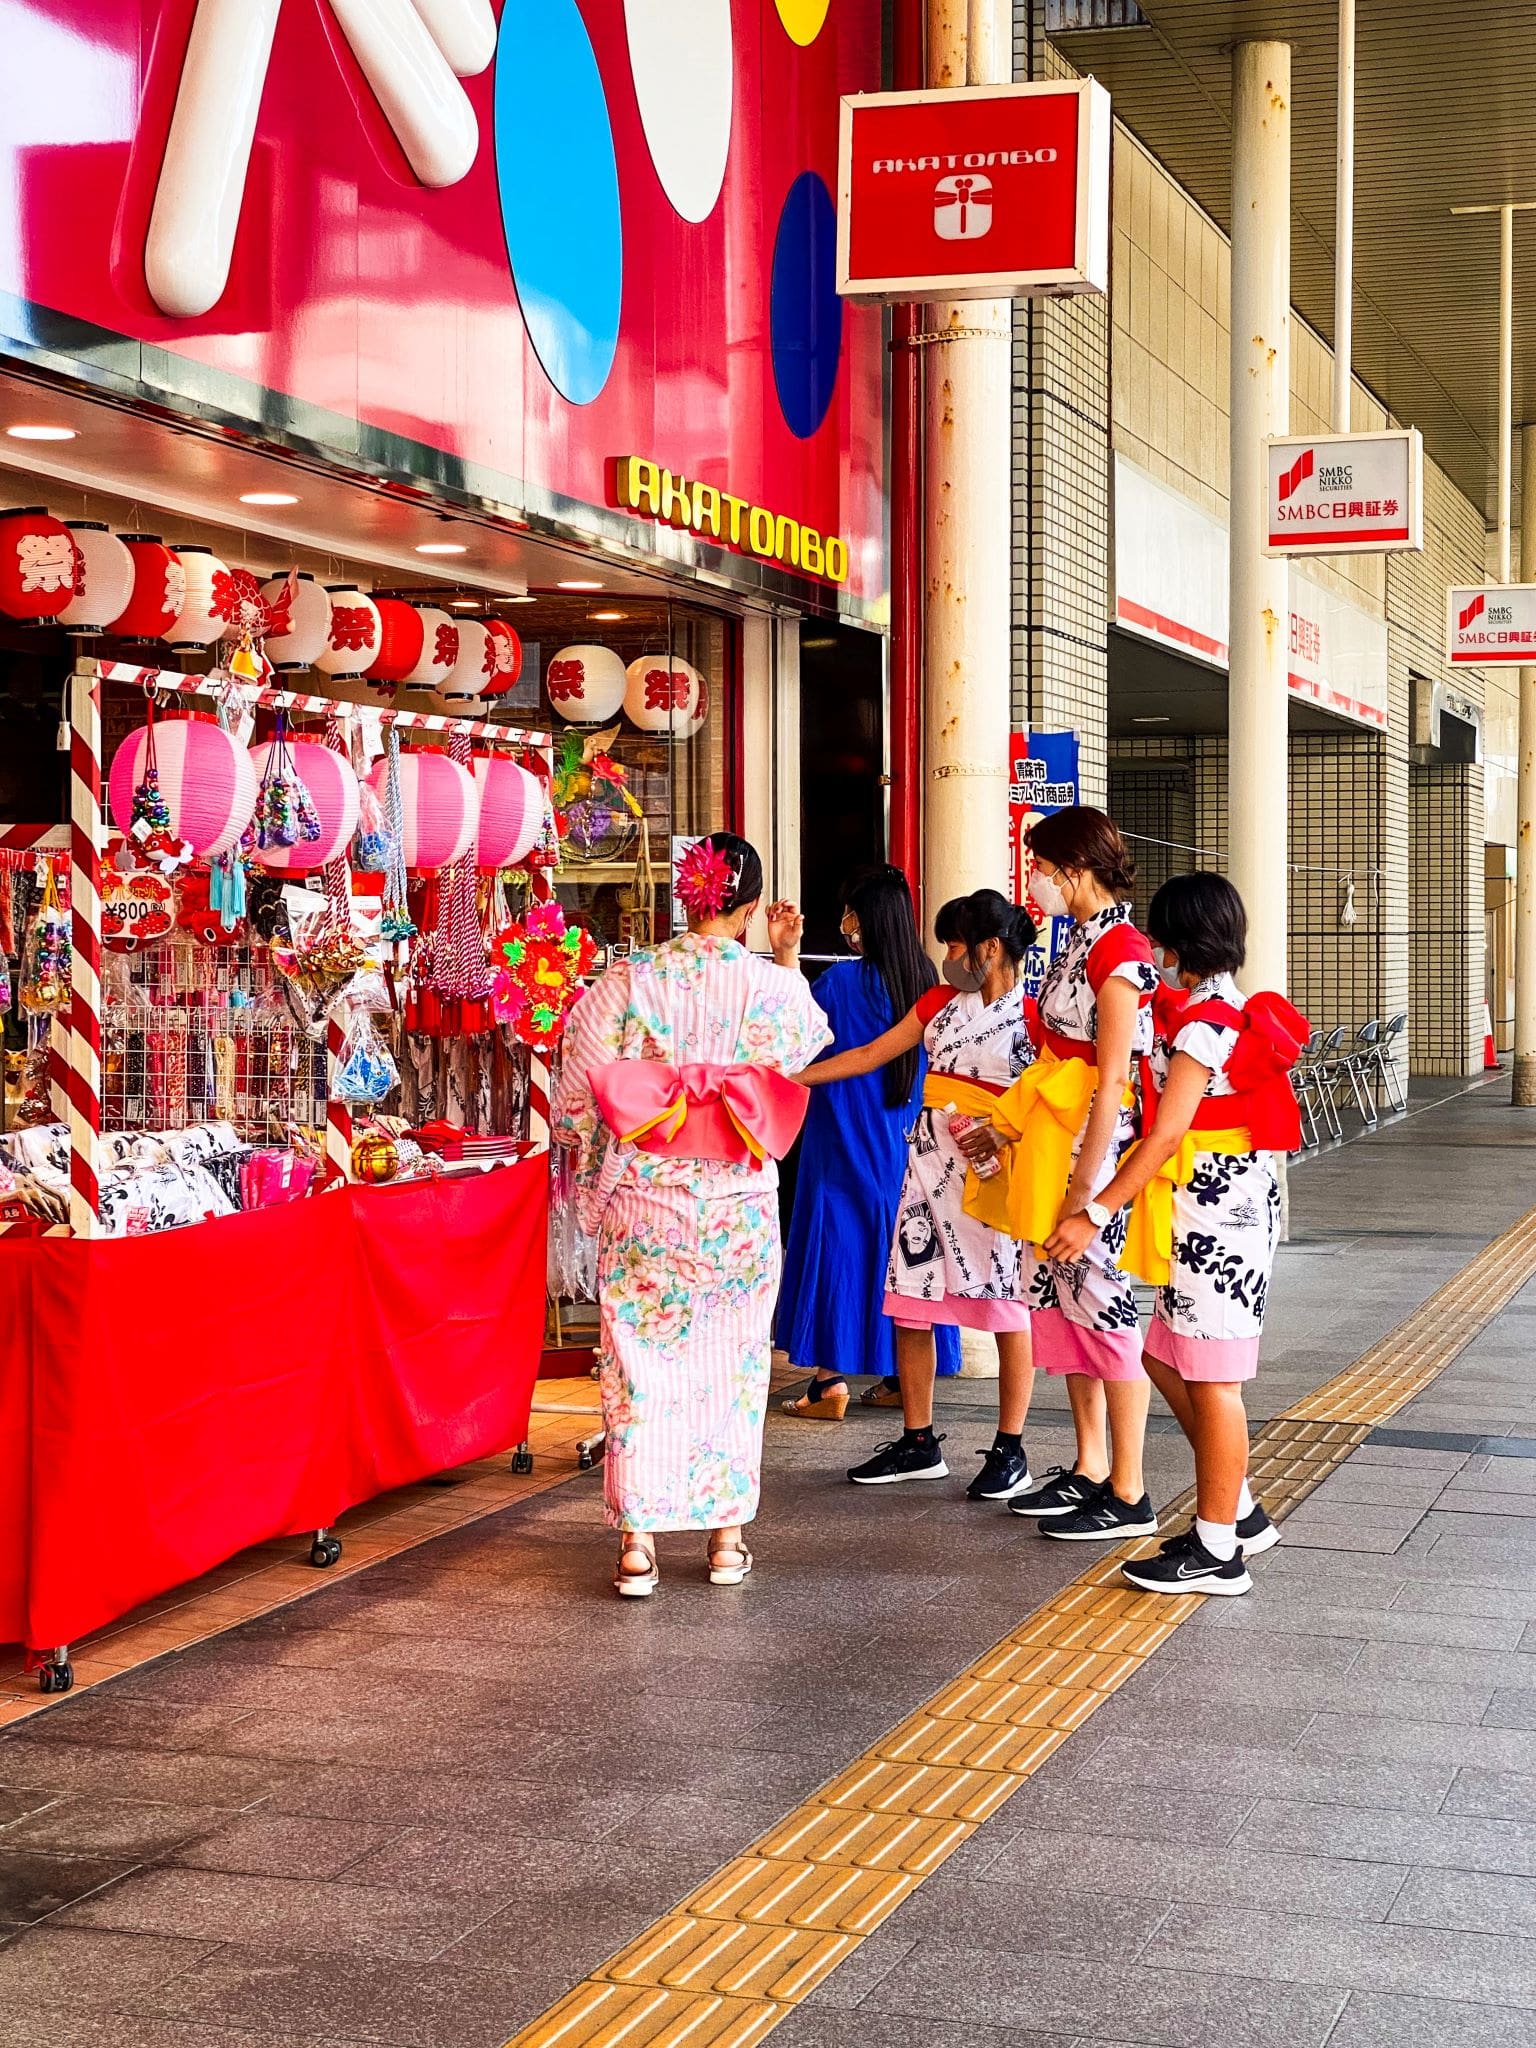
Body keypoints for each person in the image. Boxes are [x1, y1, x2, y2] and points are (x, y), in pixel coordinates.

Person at [552, 832, 830, 1598]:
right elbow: (808, 1045)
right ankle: (725, 1537)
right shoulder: (770, 989)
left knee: (638, 1367)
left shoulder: (626, 981)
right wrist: (784, 959)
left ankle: (638, 1542)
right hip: (736, 1204)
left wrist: (580, 1181)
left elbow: (576, 1093)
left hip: (647, 1199)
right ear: (746, 909)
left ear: (686, 897)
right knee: (733, 1369)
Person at [1041, 872, 1307, 1594]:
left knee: (1215, 1381)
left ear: (1180, 939)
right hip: (1208, 1209)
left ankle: (1219, 1550)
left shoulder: (1204, 1023)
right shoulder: (1208, 1006)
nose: (1152, 949)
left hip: (1218, 1217)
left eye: (1160, 936)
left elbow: (1163, 1136)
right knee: (1164, 1354)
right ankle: (1239, 1510)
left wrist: (1092, 1210)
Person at [961, 807, 1159, 1542]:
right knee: (1068, 1313)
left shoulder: (1121, 954)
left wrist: (1089, 1196)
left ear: (1075, 868)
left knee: (1105, 1312)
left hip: (1089, 1155)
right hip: (1057, 1144)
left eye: (1041, 865)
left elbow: (1112, 1081)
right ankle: (1090, 1464)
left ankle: (1131, 1489)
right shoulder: (1080, 940)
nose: (1034, 879)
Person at [801, 889, 1038, 1501]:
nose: (948, 956)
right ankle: (918, 1438)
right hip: (928, 1167)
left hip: (997, 1173)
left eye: (956, 945)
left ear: (990, 949)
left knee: (1009, 1307)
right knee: (911, 1300)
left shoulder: (1035, 1018)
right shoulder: (938, 1003)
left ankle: (1011, 1446)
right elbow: (869, 1056)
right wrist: (792, 1076)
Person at [778, 865, 960, 1419]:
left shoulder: (839, 984)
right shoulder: (928, 982)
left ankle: (828, 1381)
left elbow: (794, 1031)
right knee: (902, 1251)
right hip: (905, 1135)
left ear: (863, 918)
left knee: (836, 1244)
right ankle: (903, 1377)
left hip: (840, 1131)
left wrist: (787, 955)